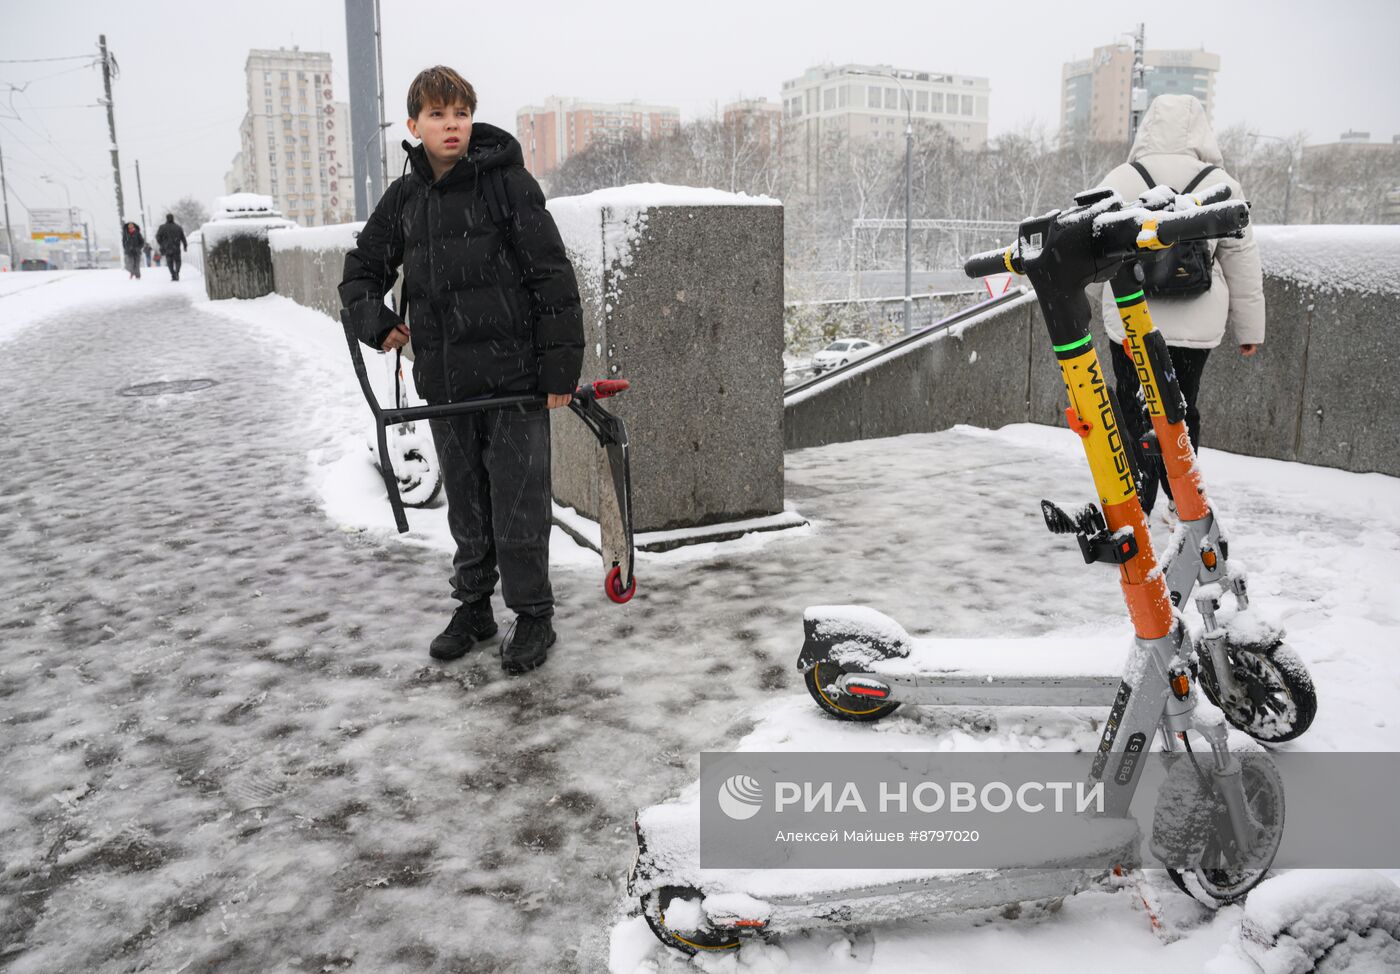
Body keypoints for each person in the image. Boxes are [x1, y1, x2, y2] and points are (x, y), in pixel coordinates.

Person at [340, 66, 584, 674]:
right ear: (414, 124)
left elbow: (552, 280)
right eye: (438, 115)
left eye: (461, 114)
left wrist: (559, 374)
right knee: (468, 507)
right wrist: (377, 318)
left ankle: (533, 616)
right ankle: (474, 607)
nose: (452, 126)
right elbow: (361, 271)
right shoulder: (404, 199)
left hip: (514, 385)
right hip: (446, 387)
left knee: (519, 506)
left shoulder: (508, 186)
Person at [1094, 94, 1264, 516]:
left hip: (1133, 319)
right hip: (1197, 324)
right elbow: (1241, 258)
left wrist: (1084, 307)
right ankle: (1181, 501)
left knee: (1133, 406)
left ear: (1147, 128)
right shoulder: (1220, 182)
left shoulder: (1122, 177)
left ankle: (1136, 498)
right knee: (1181, 406)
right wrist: (1250, 330)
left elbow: (1093, 249)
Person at [155, 213, 188, 281]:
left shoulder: (162, 227)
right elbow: (183, 237)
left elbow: (158, 237)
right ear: (173, 218)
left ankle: (173, 274)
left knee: (169, 262)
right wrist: (185, 246)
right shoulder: (178, 227)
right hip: (176, 247)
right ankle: (177, 273)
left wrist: (162, 244)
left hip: (167, 247)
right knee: (178, 261)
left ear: (166, 218)